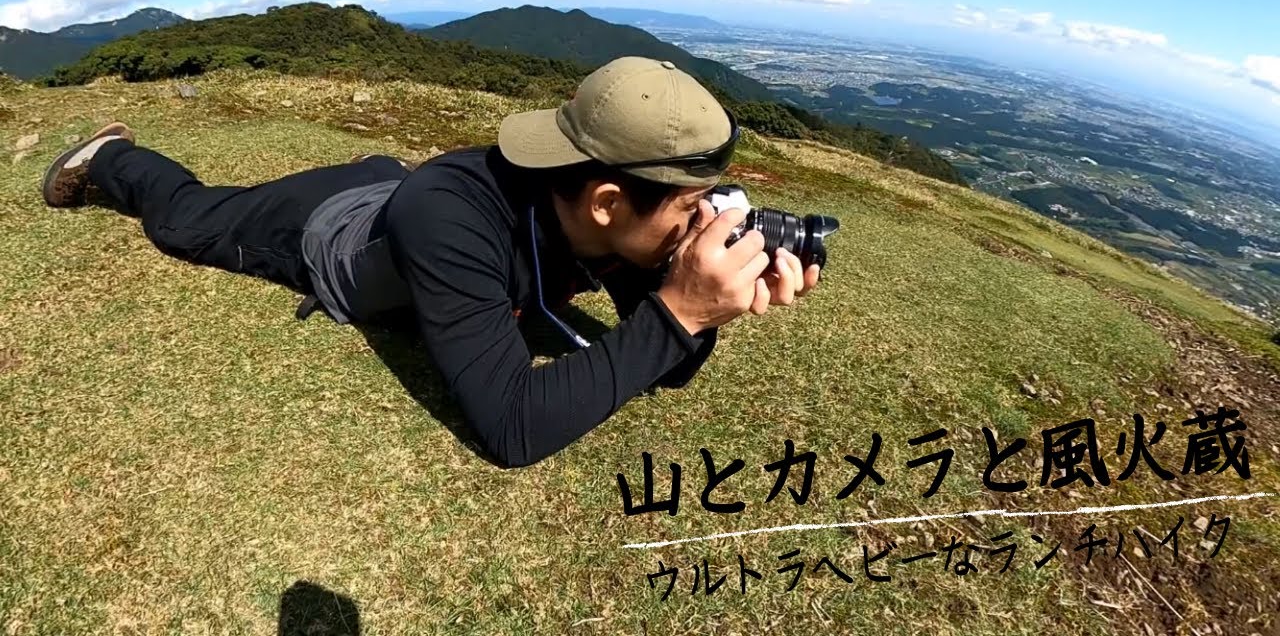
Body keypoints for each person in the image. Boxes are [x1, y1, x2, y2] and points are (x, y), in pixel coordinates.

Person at [41, 56, 821, 467]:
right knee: (188, 221)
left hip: (399, 200)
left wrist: (700, 305)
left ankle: (370, 173)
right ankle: (113, 157)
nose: (706, 222)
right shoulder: (459, 220)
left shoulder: (605, 218)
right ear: (608, 200)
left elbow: (666, 364)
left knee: (403, 197)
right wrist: (681, 308)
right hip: (328, 233)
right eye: (690, 206)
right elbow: (513, 428)